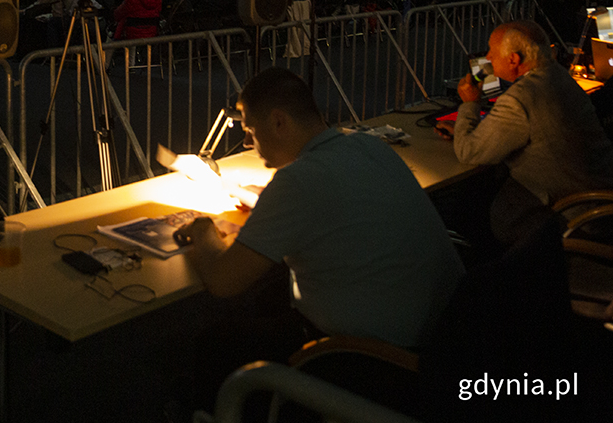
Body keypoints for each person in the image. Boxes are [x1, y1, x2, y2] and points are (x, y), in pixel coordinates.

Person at [177, 67, 463, 349]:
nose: (247, 142)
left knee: (212, 345)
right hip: (444, 329)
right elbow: (337, 204)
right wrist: (268, 201)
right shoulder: (368, 146)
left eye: (250, 129)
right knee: (271, 294)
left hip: (372, 354)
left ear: (279, 122)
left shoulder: (296, 182)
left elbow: (223, 282)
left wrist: (202, 229)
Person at [435, 21, 613, 239]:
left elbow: (469, 152)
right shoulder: (557, 76)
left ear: (513, 60)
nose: (488, 57)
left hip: (571, 217)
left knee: (464, 206)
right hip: (597, 201)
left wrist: (470, 104)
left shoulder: (520, 98)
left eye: (492, 51)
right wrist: (473, 129)